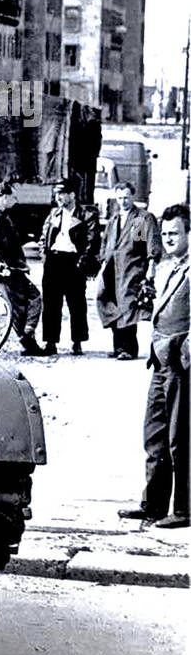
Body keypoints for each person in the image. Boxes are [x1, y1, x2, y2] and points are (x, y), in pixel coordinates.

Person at [118, 203, 189, 528]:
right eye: (165, 233)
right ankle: (154, 504)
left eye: (175, 233)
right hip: (160, 361)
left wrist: (185, 351)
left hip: (181, 364)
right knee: (155, 435)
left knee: (180, 438)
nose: (168, 239)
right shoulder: (169, 266)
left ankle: (185, 509)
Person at [0, 181, 47, 355]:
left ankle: (28, 338)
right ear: (5, 197)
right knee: (28, 300)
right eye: (14, 197)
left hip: (7, 266)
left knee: (20, 303)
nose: (16, 201)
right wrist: (3, 266)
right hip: (4, 268)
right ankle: (28, 339)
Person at [96, 181, 161, 359]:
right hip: (111, 269)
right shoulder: (114, 220)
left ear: (131, 197)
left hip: (130, 268)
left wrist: (151, 265)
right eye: (119, 198)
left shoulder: (140, 219)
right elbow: (105, 245)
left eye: (126, 197)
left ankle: (128, 349)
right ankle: (118, 347)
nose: (123, 201)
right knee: (109, 302)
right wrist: (102, 263)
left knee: (128, 306)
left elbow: (141, 244)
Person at [38, 177, 100, 355]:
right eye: (57, 193)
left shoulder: (87, 215)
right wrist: (45, 254)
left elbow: (92, 241)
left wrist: (82, 263)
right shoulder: (54, 214)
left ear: (72, 195)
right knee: (50, 304)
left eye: (62, 193)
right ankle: (50, 342)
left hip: (74, 263)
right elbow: (43, 237)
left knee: (77, 304)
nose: (58, 197)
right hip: (53, 262)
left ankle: (77, 341)